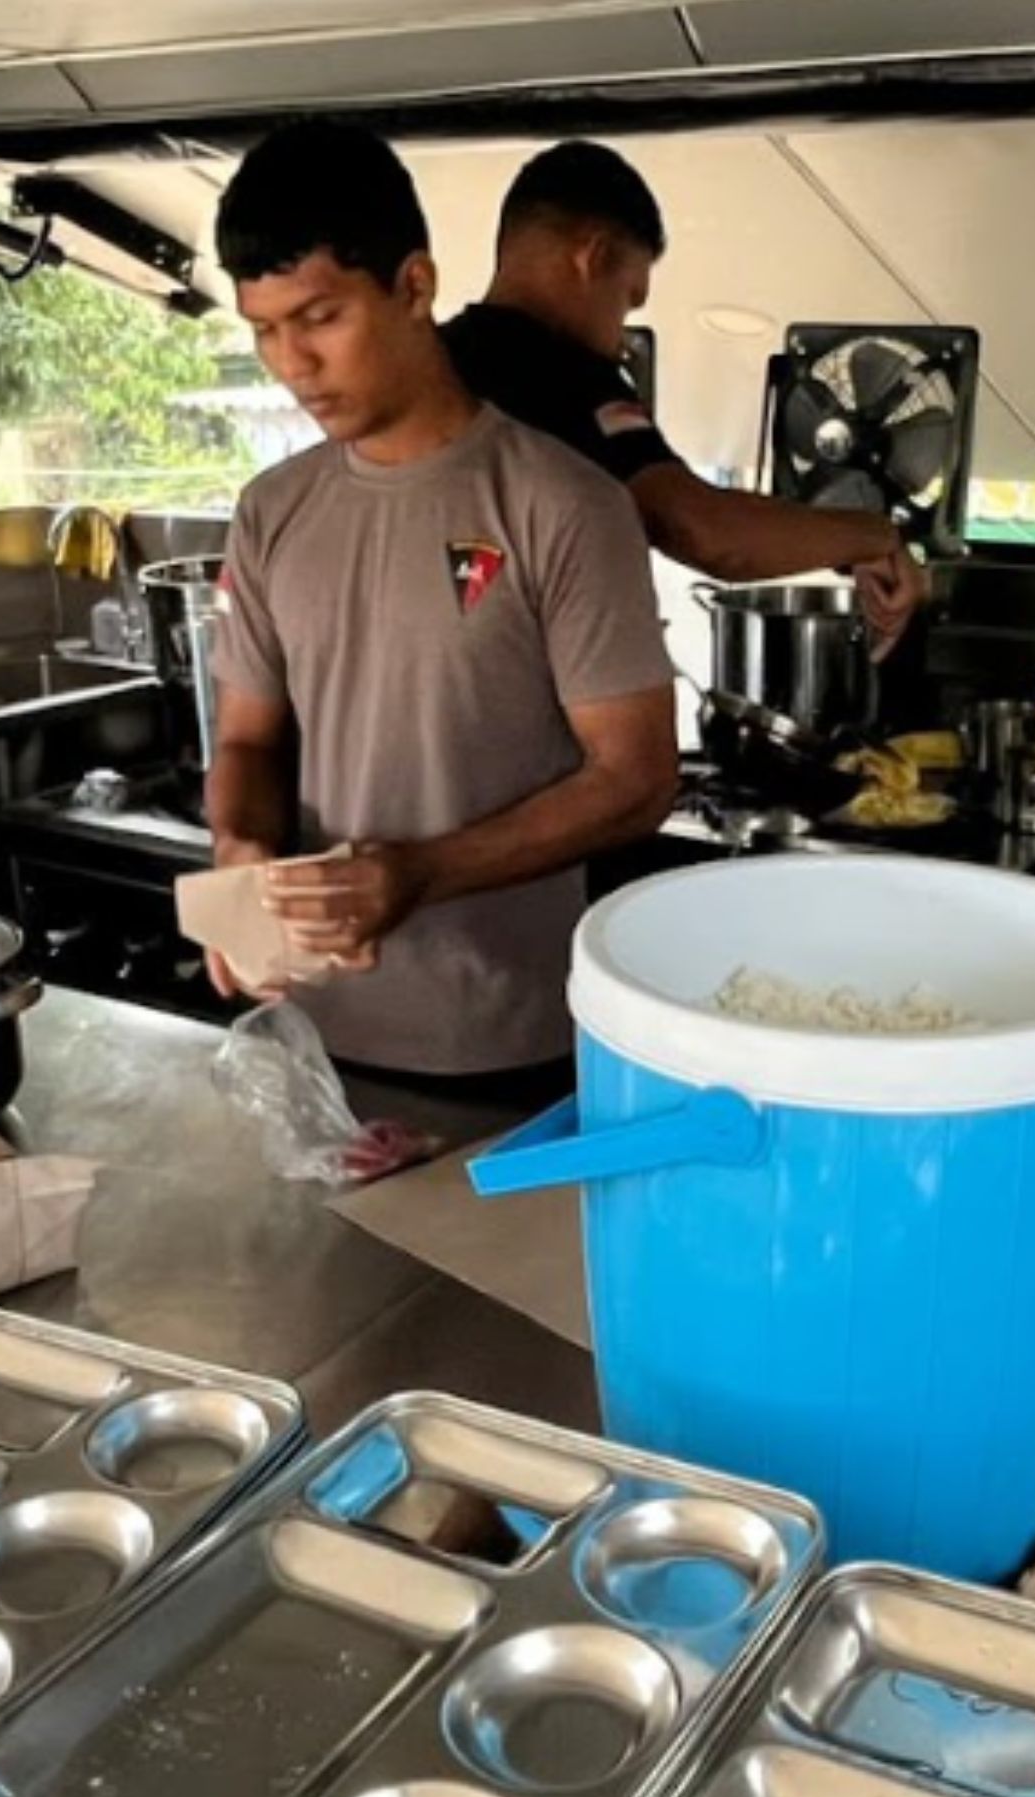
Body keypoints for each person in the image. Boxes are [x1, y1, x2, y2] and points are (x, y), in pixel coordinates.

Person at [202, 119, 678, 1079]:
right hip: (313, 1042)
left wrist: (419, 872)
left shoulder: (564, 503)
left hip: (510, 1046)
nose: (292, 363)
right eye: (264, 330)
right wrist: (238, 847)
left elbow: (636, 779)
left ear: (414, 286)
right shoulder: (271, 511)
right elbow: (249, 740)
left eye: (320, 317)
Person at [441, 140, 930, 659]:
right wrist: (878, 537)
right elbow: (707, 532)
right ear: (593, 257)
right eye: (628, 300)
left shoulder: (435, 361)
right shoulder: (565, 376)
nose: (619, 339)